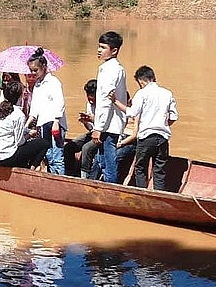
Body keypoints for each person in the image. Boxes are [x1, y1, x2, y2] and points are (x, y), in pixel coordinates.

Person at [110, 65, 179, 190]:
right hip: (163, 138)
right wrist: (162, 125)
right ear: (153, 78)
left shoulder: (142, 93)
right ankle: (159, 195)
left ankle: (142, 193)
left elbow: (132, 112)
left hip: (146, 137)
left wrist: (115, 101)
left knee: (140, 167)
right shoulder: (167, 93)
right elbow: (173, 117)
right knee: (159, 170)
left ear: (141, 80)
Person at [91, 31, 128, 184]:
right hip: (110, 122)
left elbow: (106, 100)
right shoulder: (113, 67)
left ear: (114, 50)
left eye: (103, 47)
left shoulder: (110, 69)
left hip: (109, 124)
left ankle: (110, 186)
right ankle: (101, 184)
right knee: (103, 159)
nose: (99, 50)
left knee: (108, 160)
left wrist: (98, 128)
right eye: (99, 46)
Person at [0, 81, 49, 169]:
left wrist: (26, 131)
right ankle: (31, 169)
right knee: (44, 143)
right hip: (6, 157)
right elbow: (20, 142)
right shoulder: (18, 115)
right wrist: (29, 135)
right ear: (19, 97)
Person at [25, 47, 68, 175]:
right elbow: (35, 109)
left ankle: (60, 180)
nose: (33, 73)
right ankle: (51, 177)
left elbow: (60, 102)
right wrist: (26, 125)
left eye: (36, 70)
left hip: (55, 124)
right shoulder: (38, 85)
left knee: (57, 155)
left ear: (44, 66)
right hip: (43, 124)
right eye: (31, 70)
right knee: (48, 154)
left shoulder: (54, 82)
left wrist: (56, 121)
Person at [64, 79, 99, 178]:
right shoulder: (89, 104)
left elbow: (104, 125)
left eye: (92, 96)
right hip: (92, 133)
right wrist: (85, 122)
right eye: (88, 95)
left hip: (102, 135)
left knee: (86, 148)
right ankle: (70, 173)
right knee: (69, 147)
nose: (90, 98)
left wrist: (92, 119)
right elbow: (90, 129)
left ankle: (85, 176)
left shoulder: (104, 105)